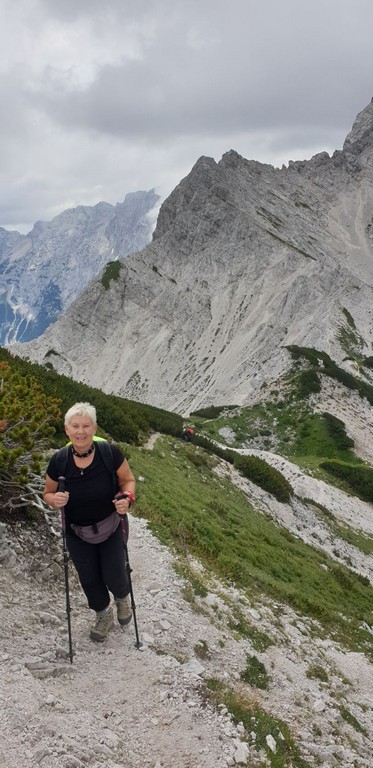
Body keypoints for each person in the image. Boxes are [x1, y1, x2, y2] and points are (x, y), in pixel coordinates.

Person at [43, 402, 136, 643]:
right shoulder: (59, 460)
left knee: (114, 572)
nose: (81, 431)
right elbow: (47, 493)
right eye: (75, 426)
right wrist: (55, 500)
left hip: (111, 525)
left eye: (86, 426)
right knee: (89, 577)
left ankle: (122, 597)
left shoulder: (109, 453)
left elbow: (127, 480)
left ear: (94, 427)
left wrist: (127, 498)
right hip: (77, 531)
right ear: (67, 429)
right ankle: (103, 616)